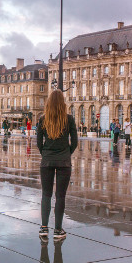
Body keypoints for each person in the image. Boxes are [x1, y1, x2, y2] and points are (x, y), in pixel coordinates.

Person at [36, 90, 78, 240]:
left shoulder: (42, 119)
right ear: (62, 103)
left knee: (46, 195)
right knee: (60, 196)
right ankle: (58, 230)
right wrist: (66, 153)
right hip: (64, 161)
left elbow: (38, 143)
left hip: (46, 160)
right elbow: (75, 142)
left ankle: (44, 228)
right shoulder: (69, 119)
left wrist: (46, 154)